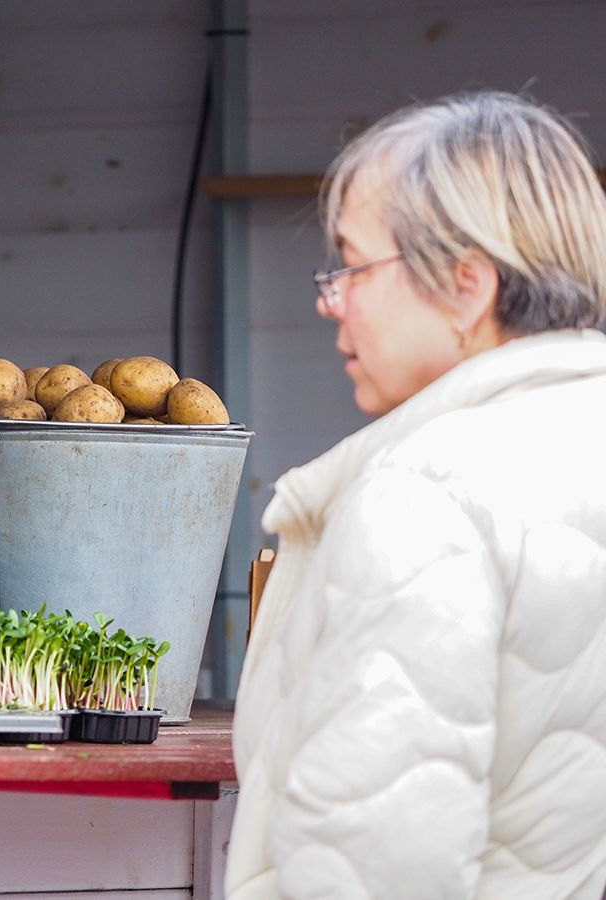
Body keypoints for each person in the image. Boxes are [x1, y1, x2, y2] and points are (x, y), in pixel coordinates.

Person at [227, 91, 606, 899]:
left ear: (468, 286)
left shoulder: (425, 499)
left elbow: (371, 870)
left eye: (354, 269)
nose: (331, 302)